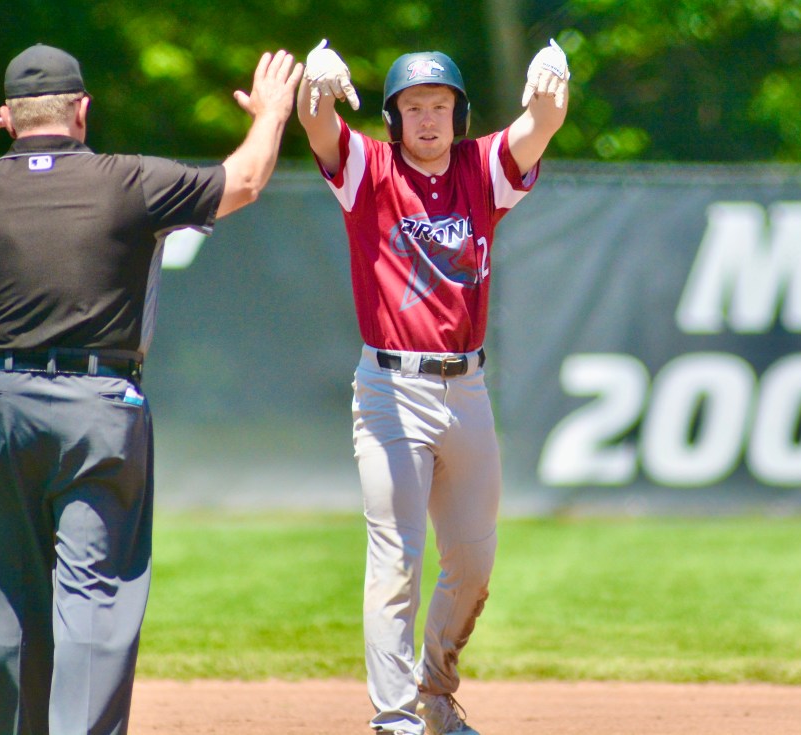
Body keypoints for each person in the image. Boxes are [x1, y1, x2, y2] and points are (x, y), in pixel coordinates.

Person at [0, 44, 303, 735]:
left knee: (7, 598)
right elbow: (243, 181)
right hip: (99, 406)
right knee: (91, 597)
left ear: (6, 117)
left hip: (3, 402)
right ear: (82, 110)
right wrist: (271, 114)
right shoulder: (128, 181)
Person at [297, 38, 569, 735]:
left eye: (440, 106)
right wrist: (316, 87)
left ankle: (435, 689)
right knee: (395, 556)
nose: (427, 119)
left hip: (467, 389)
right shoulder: (372, 169)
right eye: (413, 106)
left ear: (459, 114)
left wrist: (550, 84)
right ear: (392, 118)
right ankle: (395, 719)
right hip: (390, 389)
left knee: (474, 562)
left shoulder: (481, 168)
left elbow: (539, 129)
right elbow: (319, 127)